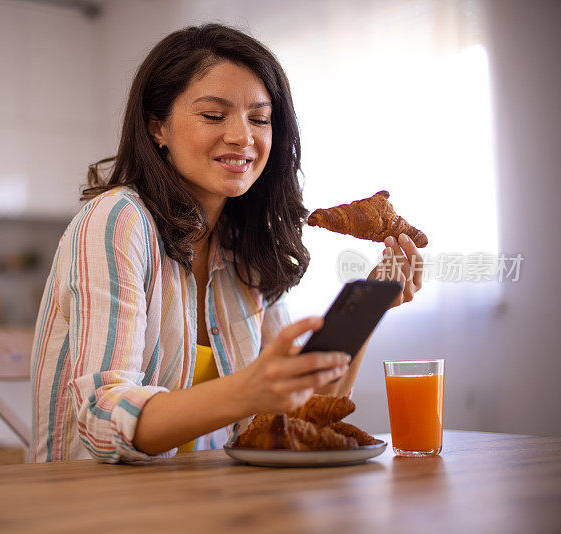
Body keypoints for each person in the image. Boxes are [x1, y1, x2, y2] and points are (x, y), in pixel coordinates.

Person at [31, 23, 422, 463]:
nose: (243, 137)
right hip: (89, 508)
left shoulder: (246, 246)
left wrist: (371, 305)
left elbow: (302, 409)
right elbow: (102, 420)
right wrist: (244, 390)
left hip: (208, 504)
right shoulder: (118, 221)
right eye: (214, 116)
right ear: (157, 127)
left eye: (259, 118)